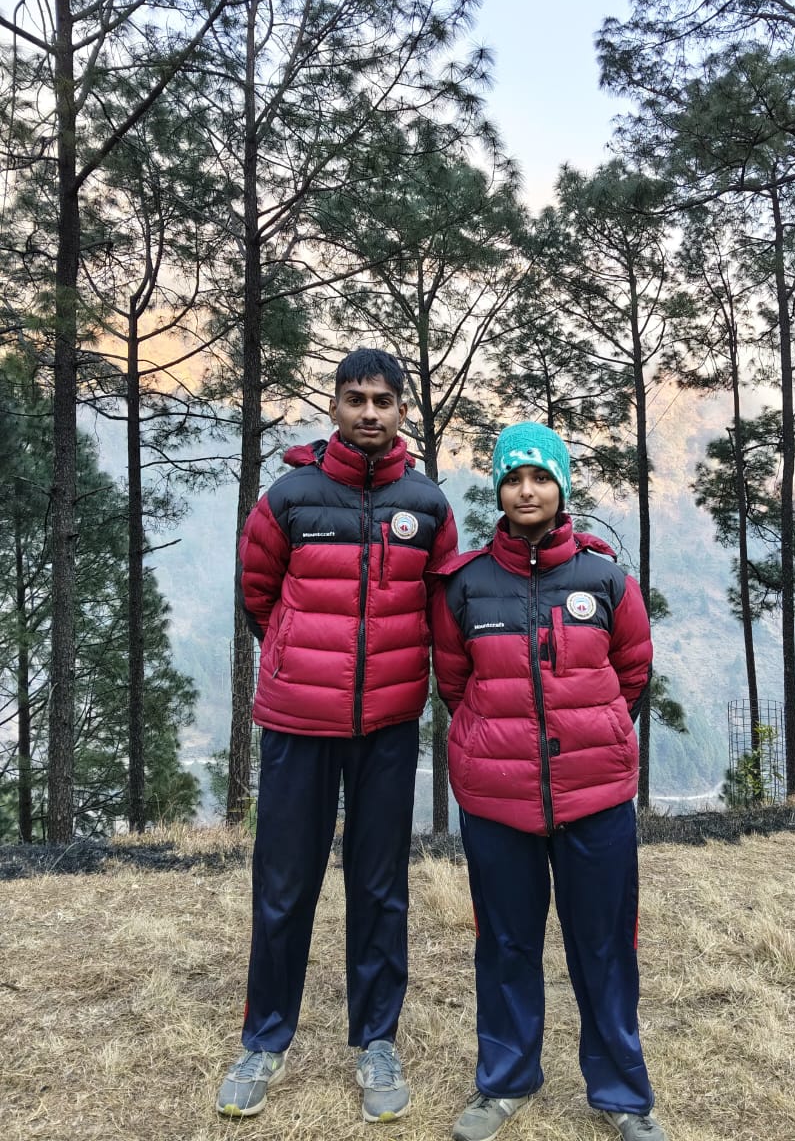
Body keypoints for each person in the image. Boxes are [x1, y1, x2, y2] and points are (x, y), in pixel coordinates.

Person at [217, 348, 458, 1124]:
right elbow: (258, 592)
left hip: (388, 725)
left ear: (402, 410)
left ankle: (376, 1040)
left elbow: (441, 609)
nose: (369, 413)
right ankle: (264, 1042)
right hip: (298, 724)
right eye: (356, 399)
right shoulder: (289, 496)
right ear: (335, 406)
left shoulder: (427, 505)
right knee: (284, 886)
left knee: (380, 889)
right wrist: (299, 659)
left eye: (383, 400)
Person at [430, 422, 667, 1141]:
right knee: (506, 945)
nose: (526, 491)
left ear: (562, 487)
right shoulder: (466, 585)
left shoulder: (606, 580)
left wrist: (592, 735)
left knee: (605, 948)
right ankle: (504, 1083)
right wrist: (501, 745)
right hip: (497, 801)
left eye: (540, 477)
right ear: (498, 490)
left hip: (596, 799)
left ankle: (622, 1095)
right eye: (513, 478)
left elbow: (632, 673)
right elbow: (455, 683)